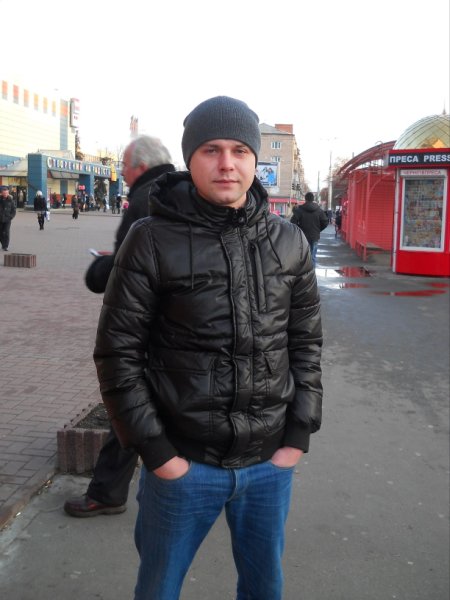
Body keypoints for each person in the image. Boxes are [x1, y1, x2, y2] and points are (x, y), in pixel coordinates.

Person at [93, 96, 323, 600]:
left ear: (254, 159)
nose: (226, 164)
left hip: (269, 464)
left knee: (264, 587)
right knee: (159, 587)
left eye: (240, 150)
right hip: (182, 465)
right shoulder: (150, 239)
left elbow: (306, 344)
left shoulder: (288, 242)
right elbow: (118, 354)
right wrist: (159, 454)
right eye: (211, 150)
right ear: (190, 158)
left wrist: (297, 436)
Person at [63, 135, 175, 517]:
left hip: (147, 323)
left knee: (129, 406)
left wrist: (100, 270)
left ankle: (110, 492)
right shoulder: (176, 191)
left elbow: (133, 265)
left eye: (125, 166)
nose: (122, 173)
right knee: (145, 404)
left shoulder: (145, 198)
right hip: (173, 319)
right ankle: (112, 489)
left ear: (141, 166)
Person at [290, 191, 328, 267]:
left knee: (303, 256)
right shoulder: (319, 210)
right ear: (313, 199)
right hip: (315, 236)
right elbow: (325, 222)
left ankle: (304, 271)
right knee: (313, 256)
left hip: (303, 236)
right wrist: (318, 229)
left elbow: (293, 222)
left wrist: (299, 229)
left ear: (305, 199)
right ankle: (312, 272)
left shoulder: (300, 210)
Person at [0, 185, 16, 251]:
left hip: (7, 219)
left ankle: (5, 246)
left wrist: (10, 217)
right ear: (1, 193)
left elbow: (13, 210)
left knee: (6, 232)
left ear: (8, 193)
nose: (5, 194)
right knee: (0, 233)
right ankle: (3, 244)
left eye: (6, 193)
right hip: (0, 219)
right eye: (4, 193)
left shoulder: (11, 200)